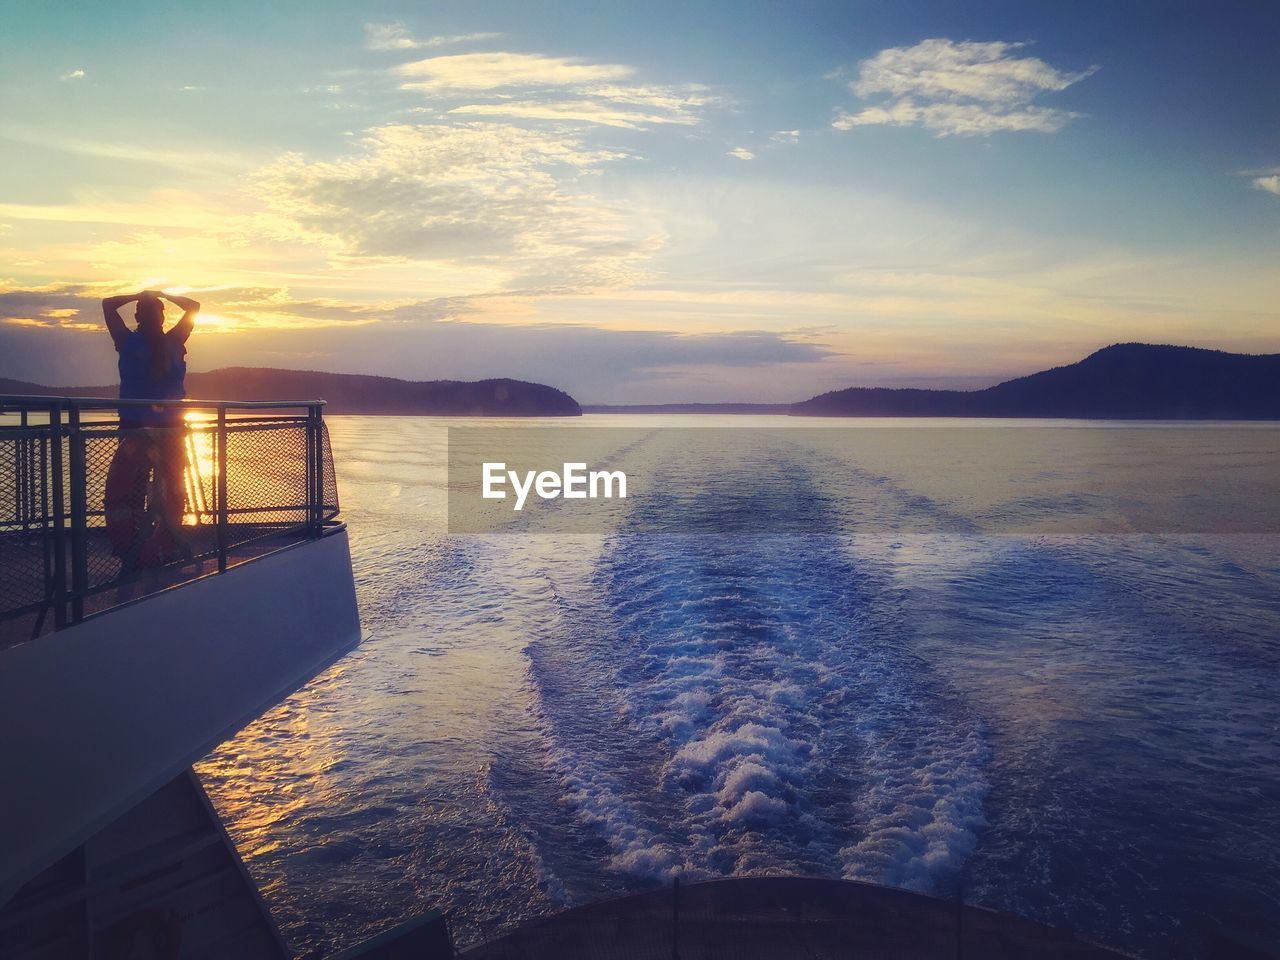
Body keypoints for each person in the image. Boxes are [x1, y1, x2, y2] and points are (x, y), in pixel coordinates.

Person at [101, 290, 200, 571]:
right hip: (171, 430)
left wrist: (138, 295)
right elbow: (194, 306)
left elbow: (108, 304)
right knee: (173, 489)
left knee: (125, 491)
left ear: (137, 317)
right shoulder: (175, 340)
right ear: (162, 316)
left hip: (135, 430)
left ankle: (131, 549)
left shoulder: (126, 341)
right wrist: (163, 295)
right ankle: (163, 547)